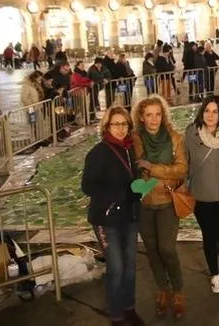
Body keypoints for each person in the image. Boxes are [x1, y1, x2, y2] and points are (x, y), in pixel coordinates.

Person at [81, 106, 145, 326]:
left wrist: (140, 188)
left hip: (130, 217)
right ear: (107, 126)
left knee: (130, 266)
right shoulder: (99, 152)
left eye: (124, 124)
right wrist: (121, 194)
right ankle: (117, 315)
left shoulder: (131, 150)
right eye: (116, 124)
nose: (120, 129)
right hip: (107, 219)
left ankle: (129, 308)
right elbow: (87, 186)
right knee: (116, 268)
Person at [132, 96, 187, 319]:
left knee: (167, 248)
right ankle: (162, 290)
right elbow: (134, 167)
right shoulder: (135, 139)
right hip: (143, 202)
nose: (154, 119)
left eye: (158, 114)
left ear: (163, 115)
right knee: (152, 250)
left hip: (166, 200)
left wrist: (152, 168)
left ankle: (179, 291)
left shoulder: (174, 138)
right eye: (149, 115)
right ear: (141, 118)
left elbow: (181, 169)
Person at [185, 95, 219, 294]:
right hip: (201, 194)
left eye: (215, 111)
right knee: (209, 235)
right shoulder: (192, 133)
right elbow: (185, 161)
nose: (210, 115)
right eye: (207, 110)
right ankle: (215, 274)